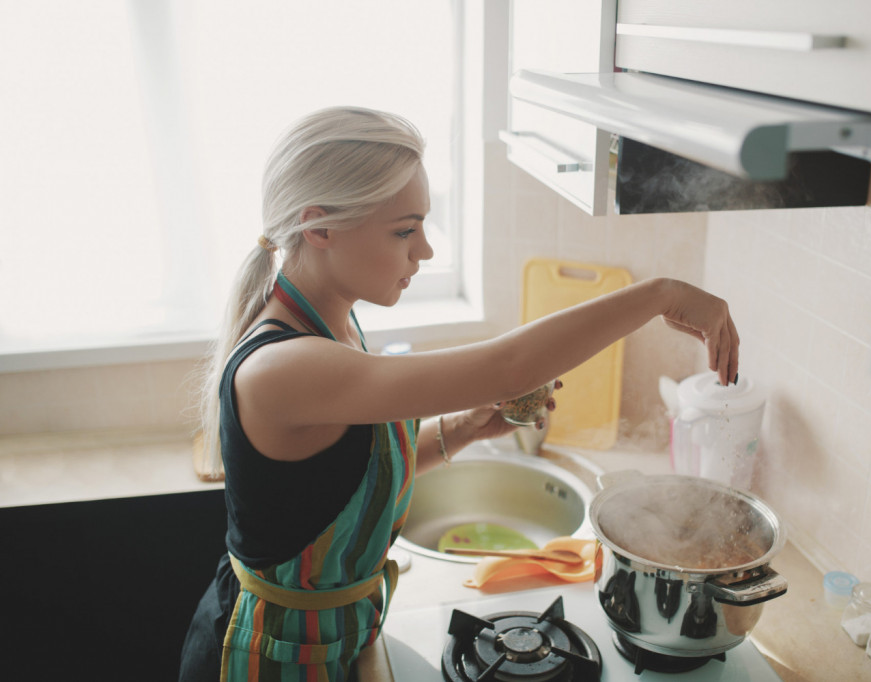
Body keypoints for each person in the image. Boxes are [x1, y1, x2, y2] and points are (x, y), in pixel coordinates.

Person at [179, 106, 739, 681]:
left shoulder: (333, 327)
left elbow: (348, 480)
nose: (423, 250)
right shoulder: (285, 366)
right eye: (405, 229)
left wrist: (465, 428)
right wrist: (660, 294)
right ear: (319, 227)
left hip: (330, 639)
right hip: (269, 658)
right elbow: (508, 367)